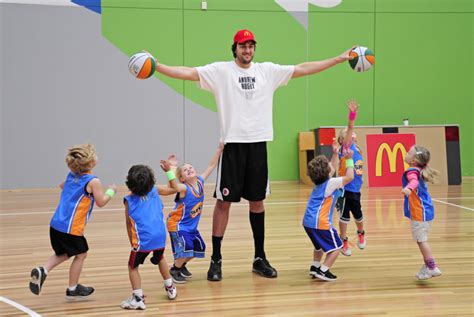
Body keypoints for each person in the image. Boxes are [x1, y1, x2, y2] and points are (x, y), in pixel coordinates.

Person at [152, 29, 355, 280]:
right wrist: (157, 66)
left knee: (257, 202)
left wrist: (338, 58)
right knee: (224, 203)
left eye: (251, 46)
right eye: (242, 46)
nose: (247, 50)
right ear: (234, 48)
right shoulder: (221, 71)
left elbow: (303, 68)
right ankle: (216, 260)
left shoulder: (267, 71)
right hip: (233, 146)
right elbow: (189, 72)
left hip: (258, 145)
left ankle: (259, 257)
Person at [29, 143, 117, 299]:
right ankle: (72, 288)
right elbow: (101, 202)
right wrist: (111, 191)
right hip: (71, 228)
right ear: (90, 163)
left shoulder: (71, 175)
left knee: (64, 253)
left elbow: (62, 186)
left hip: (56, 224)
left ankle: (44, 269)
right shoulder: (93, 181)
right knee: (81, 254)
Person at [120, 162, 179, 310]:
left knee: (132, 267)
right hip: (160, 237)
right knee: (160, 258)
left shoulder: (128, 200)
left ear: (130, 184)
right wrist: (169, 171)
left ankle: (138, 299)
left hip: (143, 241)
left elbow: (129, 224)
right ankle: (170, 288)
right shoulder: (155, 190)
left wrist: (132, 243)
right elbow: (174, 188)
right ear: (151, 181)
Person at [167, 144, 224, 283]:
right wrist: (171, 169)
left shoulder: (200, 181)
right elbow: (172, 186)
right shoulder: (183, 188)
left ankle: (182, 265)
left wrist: (219, 149)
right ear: (182, 178)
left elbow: (211, 166)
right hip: (178, 225)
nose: (189, 170)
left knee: (199, 247)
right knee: (188, 247)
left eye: (190, 167)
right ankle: (174, 269)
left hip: (191, 227)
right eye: (185, 170)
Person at [303, 148, 354, 281]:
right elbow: (350, 177)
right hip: (320, 222)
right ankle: (324, 270)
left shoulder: (321, 182)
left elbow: (331, 168)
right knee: (337, 247)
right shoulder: (331, 183)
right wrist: (349, 160)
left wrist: (336, 154)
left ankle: (315, 267)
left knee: (319, 247)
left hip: (308, 222)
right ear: (326, 172)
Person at [401, 145, 442, 280]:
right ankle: (427, 266)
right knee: (421, 239)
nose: (406, 153)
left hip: (420, 212)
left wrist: (409, 188)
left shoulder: (412, 171)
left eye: (408, 152)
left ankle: (432, 267)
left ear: (414, 160)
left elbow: (414, 182)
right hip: (426, 211)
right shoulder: (420, 169)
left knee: (421, 240)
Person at [336, 100, 366, 256]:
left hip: (356, 189)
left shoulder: (357, 149)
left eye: (353, 133)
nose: (352, 133)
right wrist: (352, 114)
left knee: (358, 216)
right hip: (344, 189)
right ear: (343, 139)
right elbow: (351, 127)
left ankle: (361, 233)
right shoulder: (345, 148)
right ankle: (343, 240)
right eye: (348, 133)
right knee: (344, 216)